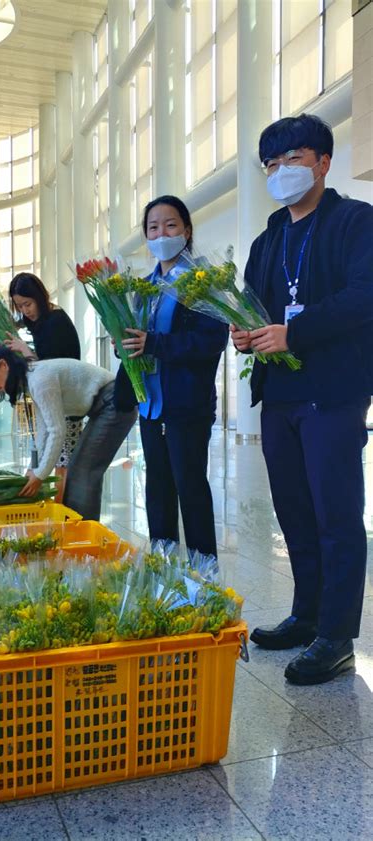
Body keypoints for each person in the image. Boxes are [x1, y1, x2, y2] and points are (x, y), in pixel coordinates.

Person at [230, 114, 373, 685]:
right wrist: (241, 329)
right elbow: (249, 302)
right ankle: (307, 613)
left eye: (293, 159)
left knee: (336, 515)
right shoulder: (269, 238)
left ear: (322, 162)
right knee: (292, 511)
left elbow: (365, 295)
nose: (281, 171)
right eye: (271, 163)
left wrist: (297, 331)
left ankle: (336, 635)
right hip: (280, 395)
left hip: (333, 392)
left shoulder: (355, 222)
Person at [118, 195, 229, 557]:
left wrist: (156, 344)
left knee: (190, 485)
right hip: (151, 406)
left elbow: (211, 340)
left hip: (186, 405)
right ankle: (163, 563)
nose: (161, 233)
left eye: (170, 225)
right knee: (158, 486)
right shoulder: (146, 288)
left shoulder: (201, 282)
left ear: (186, 230)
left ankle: (203, 570)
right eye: (153, 227)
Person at [0, 345, 138, 521]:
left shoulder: (39, 380)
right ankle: (73, 527)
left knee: (83, 471)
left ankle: (81, 533)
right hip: (103, 405)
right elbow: (43, 430)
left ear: (3, 365)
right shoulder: (30, 379)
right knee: (78, 468)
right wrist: (33, 468)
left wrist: (40, 474)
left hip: (114, 403)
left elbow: (57, 430)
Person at [5, 271, 82, 482]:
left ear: (39, 297)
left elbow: (51, 368)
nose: (25, 311)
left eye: (27, 304)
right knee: (55, 456)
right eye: (19, 306)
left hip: (67, 399)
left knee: (63, 461)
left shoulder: (55, 322)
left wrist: (25, 350)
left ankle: (64, 507)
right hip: (58, 397)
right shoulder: (40, 318)